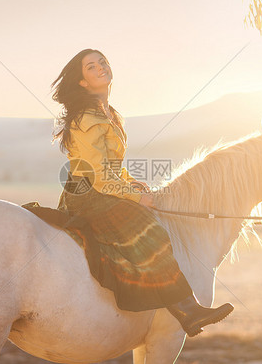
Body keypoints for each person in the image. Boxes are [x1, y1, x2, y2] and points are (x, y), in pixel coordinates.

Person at [50, 48, 233, 337]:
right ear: (82, 82)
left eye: (102, 62)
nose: (100, 68)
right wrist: (136, 198)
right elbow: (96, 175)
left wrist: (132, 182)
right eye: (90, 67)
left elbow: (112, 165)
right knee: (150, 231)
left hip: (101, 187)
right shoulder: (86, 117)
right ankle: (187, 309)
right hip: (87, 194)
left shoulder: (109, 113)